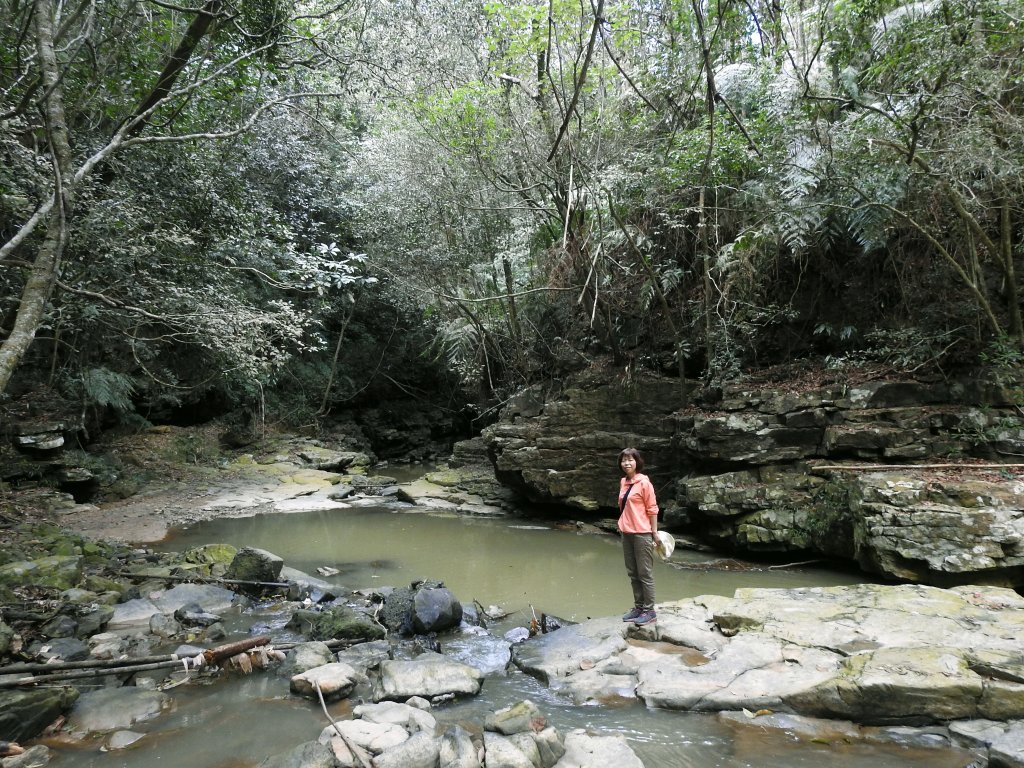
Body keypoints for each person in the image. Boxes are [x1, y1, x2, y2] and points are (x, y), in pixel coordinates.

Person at [617, 447, 659, 626]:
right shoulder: (623, 482)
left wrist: (654, 533)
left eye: (630, 460)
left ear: (637, 462)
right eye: (624, 460)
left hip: (642, 534)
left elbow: (652, 508)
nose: (627, 463)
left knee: (645, 573)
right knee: (633, 573)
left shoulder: (644, 483)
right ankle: (638, 607)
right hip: (627, 533)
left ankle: (650, 611)